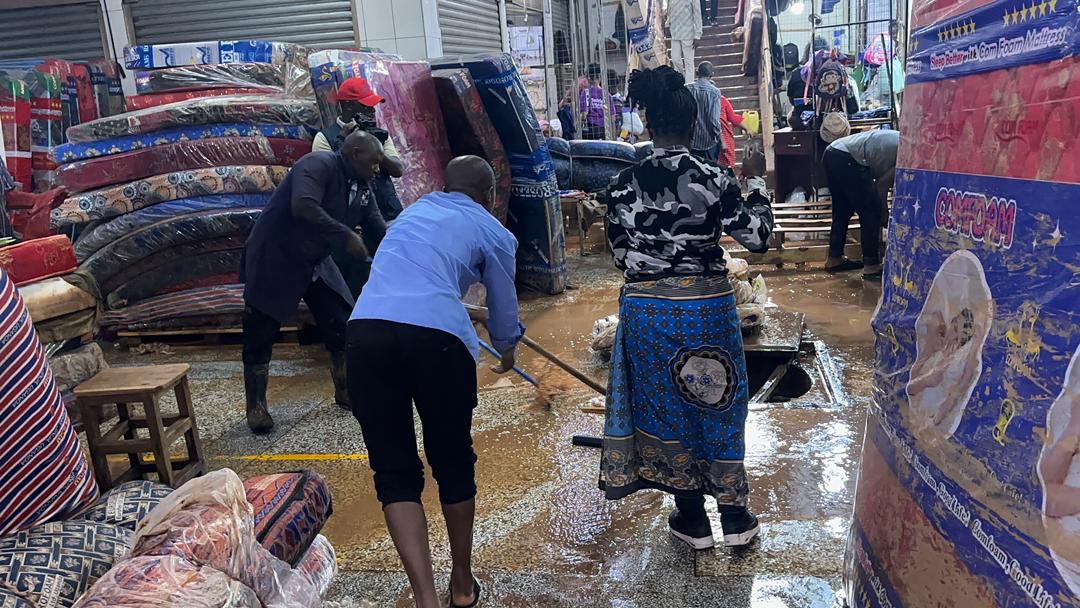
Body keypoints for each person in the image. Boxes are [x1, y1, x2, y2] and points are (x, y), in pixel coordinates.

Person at [602, 66, 774, 550]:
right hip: (707, 308)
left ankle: (691, 518)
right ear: (694, 123)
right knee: (717, 399)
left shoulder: (621, 184)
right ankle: (736, 516)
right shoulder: (715, 178)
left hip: (648, 313)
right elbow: (758, 240)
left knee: (667, 407)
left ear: (648, 124)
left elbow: (619, 256)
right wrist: (756, 188)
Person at [347, 156, 523, 608]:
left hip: (366, 332)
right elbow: (504, 310)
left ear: (445, 186)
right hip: (437, 342)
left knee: (394, 473)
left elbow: (410, 283)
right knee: (452, 461)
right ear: (488, 194)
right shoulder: (492, 230)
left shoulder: (411, 214)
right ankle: (461, 586)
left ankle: (425, 598)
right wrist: (507, 348)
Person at [240, 130, 387, 434]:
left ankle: (346, 389)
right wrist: (345, 234)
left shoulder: (361, 185)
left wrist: (397, 256)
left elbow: (375, 225)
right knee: (261, 330)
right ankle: (256, 406)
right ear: (355, 153)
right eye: (373, 162)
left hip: (315, 259)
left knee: (340, 318)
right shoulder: (317, 165)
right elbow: (304, 206)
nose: (377, 169)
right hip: (277, 255)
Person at [312, 77, 406, 222]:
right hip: (351, 220)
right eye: (366, 106)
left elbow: (397, 170)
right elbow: (328, 178)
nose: (371, 110)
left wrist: (374, 148)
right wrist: (343, 141)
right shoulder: (325, 138)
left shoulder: (379, 135)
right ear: (348, 106)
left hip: (388, 213)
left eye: (372, 105)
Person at [822, 128, 899, 280]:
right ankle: (871, 266)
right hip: (847, 157)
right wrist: (884, 215)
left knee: (842, 210)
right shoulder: (906, 157)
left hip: (832, 152)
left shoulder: (901, 141)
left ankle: (834, 259)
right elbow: (881, 187)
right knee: (871, 210)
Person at [687, 61, 724, 162]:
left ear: (696, 73)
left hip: (690, 141)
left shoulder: (687, 89)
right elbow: (713, 120)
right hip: (708, 143)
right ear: (712, 74)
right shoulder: (714, 92)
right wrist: (720, 139)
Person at [667, 0, 703, 82]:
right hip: (675, 32)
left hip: (688, 33)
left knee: (689, 62)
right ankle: (682, 79)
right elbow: (669, 11)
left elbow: (697, 14)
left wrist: (698, 35)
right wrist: (667, 24)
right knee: (675, 59)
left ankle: (689, 85)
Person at [580, 65, 615, 140]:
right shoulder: (607, 95)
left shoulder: (586, 93)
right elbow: (612, 116)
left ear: (588, 77)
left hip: (591, 128)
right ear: (600, 77)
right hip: (605, 129)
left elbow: (584, 115)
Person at [717, 94, 749, 168]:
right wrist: (747, 128)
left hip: (708, 140)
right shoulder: (721, 99)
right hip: (724, 139)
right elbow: (733, 118)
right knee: (728, 168)